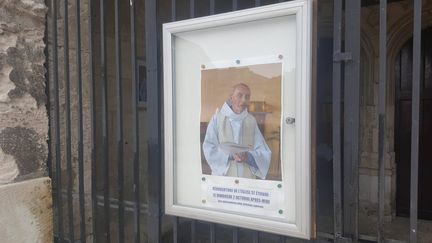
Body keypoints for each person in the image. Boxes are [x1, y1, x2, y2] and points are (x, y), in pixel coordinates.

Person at [202, 83, 271, 179]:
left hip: (246, 177)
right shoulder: (217, 119)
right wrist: (230, 156)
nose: (244, 100)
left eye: (247, 97)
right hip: (224, 178)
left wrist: (248, 157)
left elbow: (262, 151)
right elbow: (209, 147)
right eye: (239, 95)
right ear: (231, 98)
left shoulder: (250, 121)